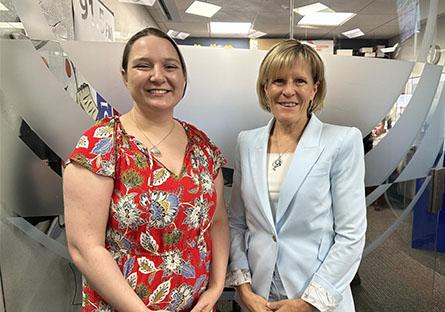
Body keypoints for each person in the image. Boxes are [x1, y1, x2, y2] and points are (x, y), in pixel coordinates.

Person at [63, 27, 229, 312]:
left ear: (183, 77)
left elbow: (218, 222)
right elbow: (85, 248)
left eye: (170, 66)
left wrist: (216, 287)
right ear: (124, 76)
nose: (157, 76)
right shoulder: (101, 145)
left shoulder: (202, 147)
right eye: (143, 65)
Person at [228, 40, 367, 312]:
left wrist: (310, 302)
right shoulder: (246, 142)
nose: (288, 91)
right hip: (257, 296)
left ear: (315, 89)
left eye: (300, 81)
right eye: (278, 81)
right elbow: (237, 223)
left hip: (315, 295)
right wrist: (243, 288)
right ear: (265, 88)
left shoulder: (341, 141)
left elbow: (351, 235)